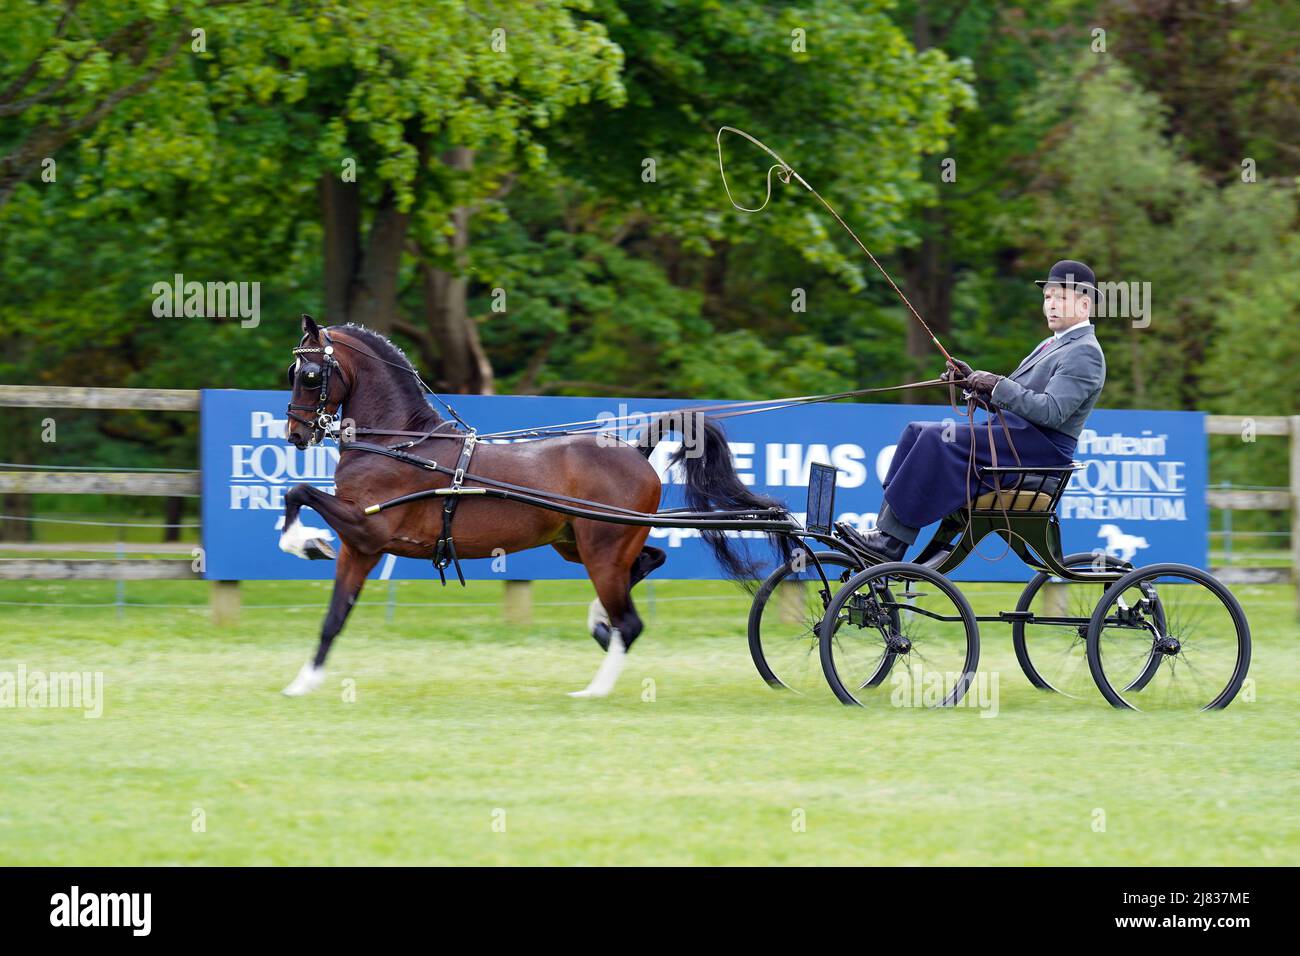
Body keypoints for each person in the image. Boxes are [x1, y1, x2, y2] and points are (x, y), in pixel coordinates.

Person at [858, 259, 1107, 561]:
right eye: (1047, 298)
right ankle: (886, 530)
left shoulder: (1085, 351)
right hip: (1015, 437)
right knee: (917, 432)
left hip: (1038, 450)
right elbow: (1017, 400)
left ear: (1084, 304)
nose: (1051, 305)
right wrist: (973, 382)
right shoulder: (1051, 344)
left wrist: (997, 384)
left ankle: (891, 544)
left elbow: (1051, 412)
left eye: (1061, 298)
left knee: (937, 439)